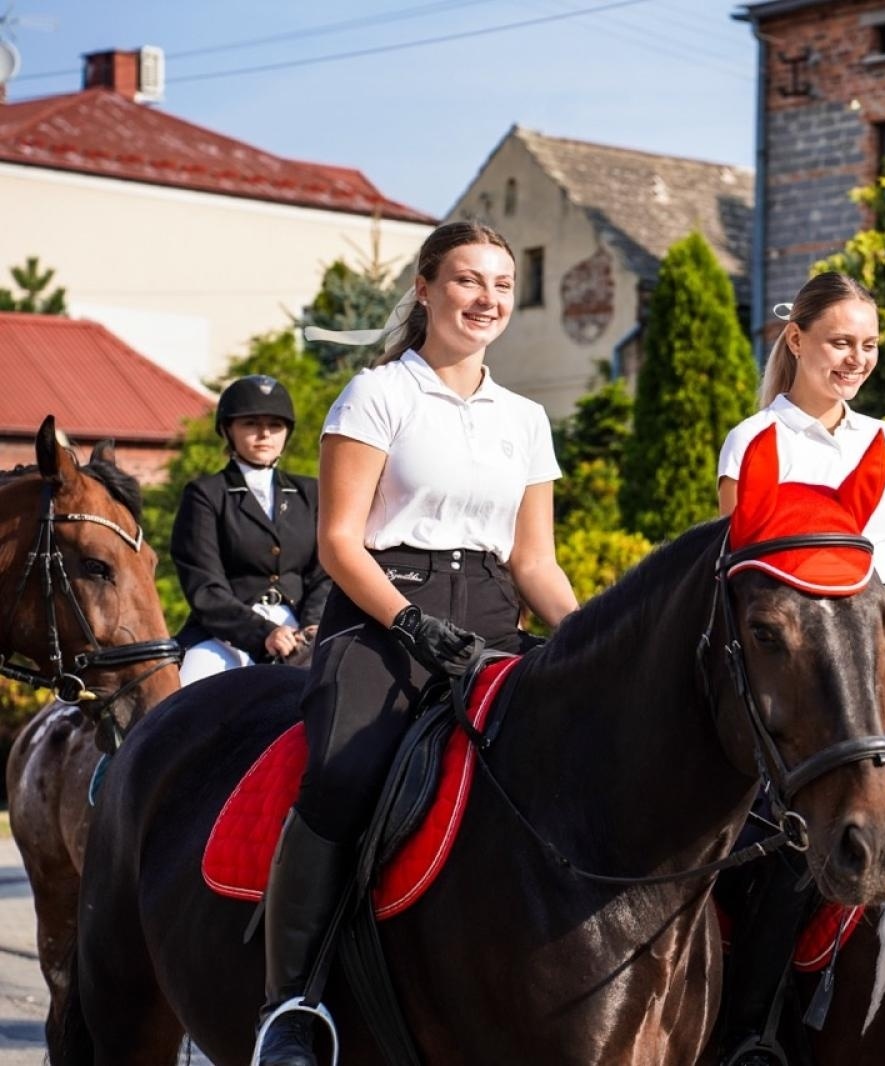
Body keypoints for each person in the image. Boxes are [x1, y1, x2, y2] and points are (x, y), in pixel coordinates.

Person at [255, 220, 579, 1065]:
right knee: (344, 774)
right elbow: (338, 542)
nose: (488, 299)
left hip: (496, 620)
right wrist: (409, 620)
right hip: (386, 619)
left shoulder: (525, 417)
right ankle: (292, 1003)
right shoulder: (377, 394)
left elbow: (534, 559)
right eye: (469, 281)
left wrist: (583, 639)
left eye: (503, 285)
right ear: (426, 289)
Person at [712, 271, 885, 1064]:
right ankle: (749, 1034)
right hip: (808, 670)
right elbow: (741, 574)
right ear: (796, 340)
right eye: (839, 343)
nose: (855, 358)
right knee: (795, 845)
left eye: (869, 345)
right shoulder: (758, 442)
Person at [172, 376, 329, 685]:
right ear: (228, 430)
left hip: (301, 629)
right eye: (251, 424)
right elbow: (204, 585)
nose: (264, 434)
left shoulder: (310, 493)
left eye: (275, 425)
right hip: (224, 635)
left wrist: (314, 624)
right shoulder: (206, 494)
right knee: (184, 693)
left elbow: (325, 571)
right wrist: (263, 633)